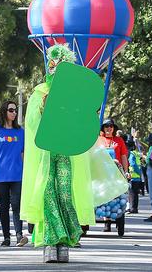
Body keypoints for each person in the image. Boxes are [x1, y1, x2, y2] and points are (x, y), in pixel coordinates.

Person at [20, 43, 95, 263]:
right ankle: (50, 241)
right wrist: (43, 108)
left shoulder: (75, 95)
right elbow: (31, 123)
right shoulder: (40, 92)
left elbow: (83, 123)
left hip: (67, 154)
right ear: (51, 67)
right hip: (46, 155)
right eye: (56, 66)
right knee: (48, 193)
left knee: (64, 194)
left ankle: (65, 241)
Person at [0, 101, 27, 247]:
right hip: (0, 175)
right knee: (4, 206)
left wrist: (26, 171)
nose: (14, 113)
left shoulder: (21, 132)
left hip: (17, 175)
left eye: (15, 110)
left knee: (16, 205)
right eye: (11, 110)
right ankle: (6, 237)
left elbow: (23, 154)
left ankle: (19, 235)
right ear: (4, 112)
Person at [99, 119, 130, 231]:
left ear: (113, 128)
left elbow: (123, 157)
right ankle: (106, 220)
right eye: (106, 126)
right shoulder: (98, 140)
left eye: (111, 126)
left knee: (115, 196)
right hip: (101, 173)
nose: (109, 128)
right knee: (103, 195)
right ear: (103, 128)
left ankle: (115, 216)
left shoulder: (119, 140)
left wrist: (126, 171)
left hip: (116, 173)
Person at [127, 139, 143, 214]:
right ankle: (135, 208)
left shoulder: (131, 154)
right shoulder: (136, 153)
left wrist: (138, 172)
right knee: (135, 194)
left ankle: (133, 208)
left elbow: (133, 164)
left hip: (133, 176)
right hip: (137, 177)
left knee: (132, 193)